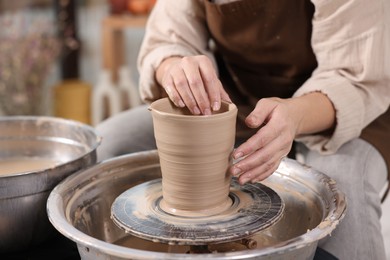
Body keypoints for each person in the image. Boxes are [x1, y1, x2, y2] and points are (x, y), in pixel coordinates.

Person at [96, 0, 390, 259]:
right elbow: (167, 38)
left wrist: (295, 116)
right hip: (237, 102)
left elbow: (356, 76)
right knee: (108, 145)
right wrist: (175, 67)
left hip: (342, 105)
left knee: (342, 188)